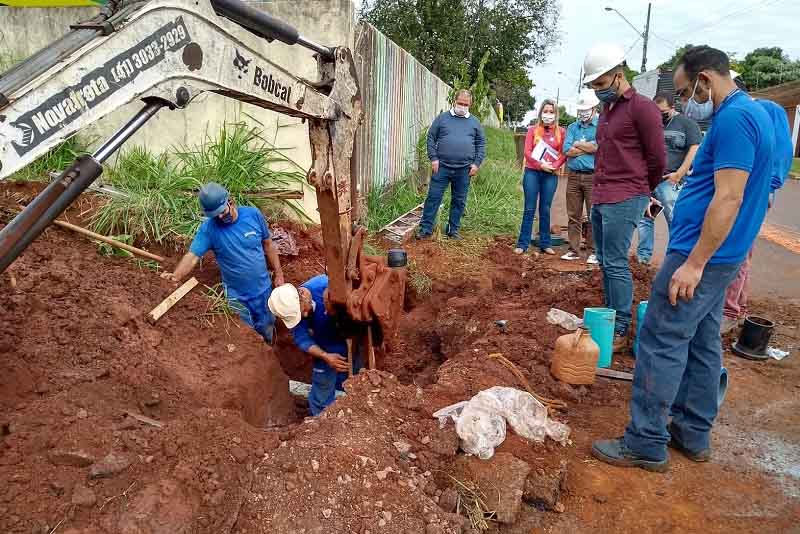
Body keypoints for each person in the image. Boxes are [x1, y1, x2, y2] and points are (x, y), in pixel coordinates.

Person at [592, 46, 775, 472]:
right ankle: (692, 432)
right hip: (719, 256)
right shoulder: (756, 117)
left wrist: (694, 263)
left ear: (705, 80)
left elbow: (729, 196)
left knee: (661, 338)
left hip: (701, 257)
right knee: (704, 340)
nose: (682, 101)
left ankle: (645, 441)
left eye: (683, 90)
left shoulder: (733, 120)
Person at [582, 43, 666, 351]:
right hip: (602, 193)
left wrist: (643, 191)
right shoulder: (607, 109)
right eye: (593, 87)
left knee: (616, 262)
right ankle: (607, 316)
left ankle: (619, 326)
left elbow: (657, 157)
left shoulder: (643, 108)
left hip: (626, 195)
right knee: (604, 259)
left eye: (601, 85)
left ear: (618, 75)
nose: (597, 92)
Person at [162, 182, 284, 344]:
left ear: (230, 202)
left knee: (267, 327)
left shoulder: (253, 215)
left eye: (222, 212)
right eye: (214, 215)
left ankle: (270, 352)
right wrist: (176, 276)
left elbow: (268, 244)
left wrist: (279, 273)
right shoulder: (209, 229)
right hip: (236, 299)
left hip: (263, 291)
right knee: (247, 339)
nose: (220, 217)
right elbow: (192, 256)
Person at [721, 75, 795, 334]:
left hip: (755, 192)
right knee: (740, 249)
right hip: (742, 189)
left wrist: (766, 187)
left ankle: (729, 311)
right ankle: (737, 306)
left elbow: (781, 153)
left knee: (738, 249)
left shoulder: (767, 110)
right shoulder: (735, 113)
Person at [268, 276, 362, 415]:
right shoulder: (291, 308)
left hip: (351, 344)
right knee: (321, 396)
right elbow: (301, 338)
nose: (306, 314)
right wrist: (325, 356)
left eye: (303, 309)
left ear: (303, 295)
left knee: (350, 385)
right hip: (324, 350)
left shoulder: (327, 285)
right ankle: (320, 428)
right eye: (301, 314)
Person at [636, 93, 702, 264]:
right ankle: (643, 259)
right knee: (645, 220)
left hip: (670, 182)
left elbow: (694, 149)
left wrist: (679, 173)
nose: (659, 114)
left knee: (675, 221)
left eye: (662, 111)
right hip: (650, 182)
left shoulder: (687, 124)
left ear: (673, 107)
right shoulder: (651, 125)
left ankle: (675, 262)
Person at [418, 89, 487, 240]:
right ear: (454, 102)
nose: (462, 106)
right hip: (441, 167)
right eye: (460, 103)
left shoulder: (474, 122)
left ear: (470, 104)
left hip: (464, 170)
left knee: (459, 200)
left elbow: (481, 143)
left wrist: (476, 164)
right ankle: (425, 229)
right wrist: (434, 158)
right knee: (433, 197)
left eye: (465, 104)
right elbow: (431, 137)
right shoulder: (442, 119)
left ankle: (452, 230)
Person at [514, 99, 566, 256]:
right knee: (529, 208)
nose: (548, 115)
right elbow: (527, 152)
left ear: (556, 114)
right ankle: (523, 243)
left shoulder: (561, 132)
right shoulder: (533, 130)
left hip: (550, 175)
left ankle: (545, 243)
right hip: (533, 172)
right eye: (546, 111)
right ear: (540, 113)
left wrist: (555, 166)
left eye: (551, 112)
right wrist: (540, 165)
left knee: (545, 208)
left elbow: (564, 153)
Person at [561, 89, 600, 264]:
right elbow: (567, 150)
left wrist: (578, 144)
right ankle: (573, 249)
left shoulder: (600, 126)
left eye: (586, 109)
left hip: (593, 177)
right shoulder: (572, 127)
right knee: (573, 215)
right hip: (574, 176)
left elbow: (598, 147)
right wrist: (586, 146)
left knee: (594, 215)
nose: (583, 113)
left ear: (594, 108)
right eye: (581, 110)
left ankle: (593, 251)